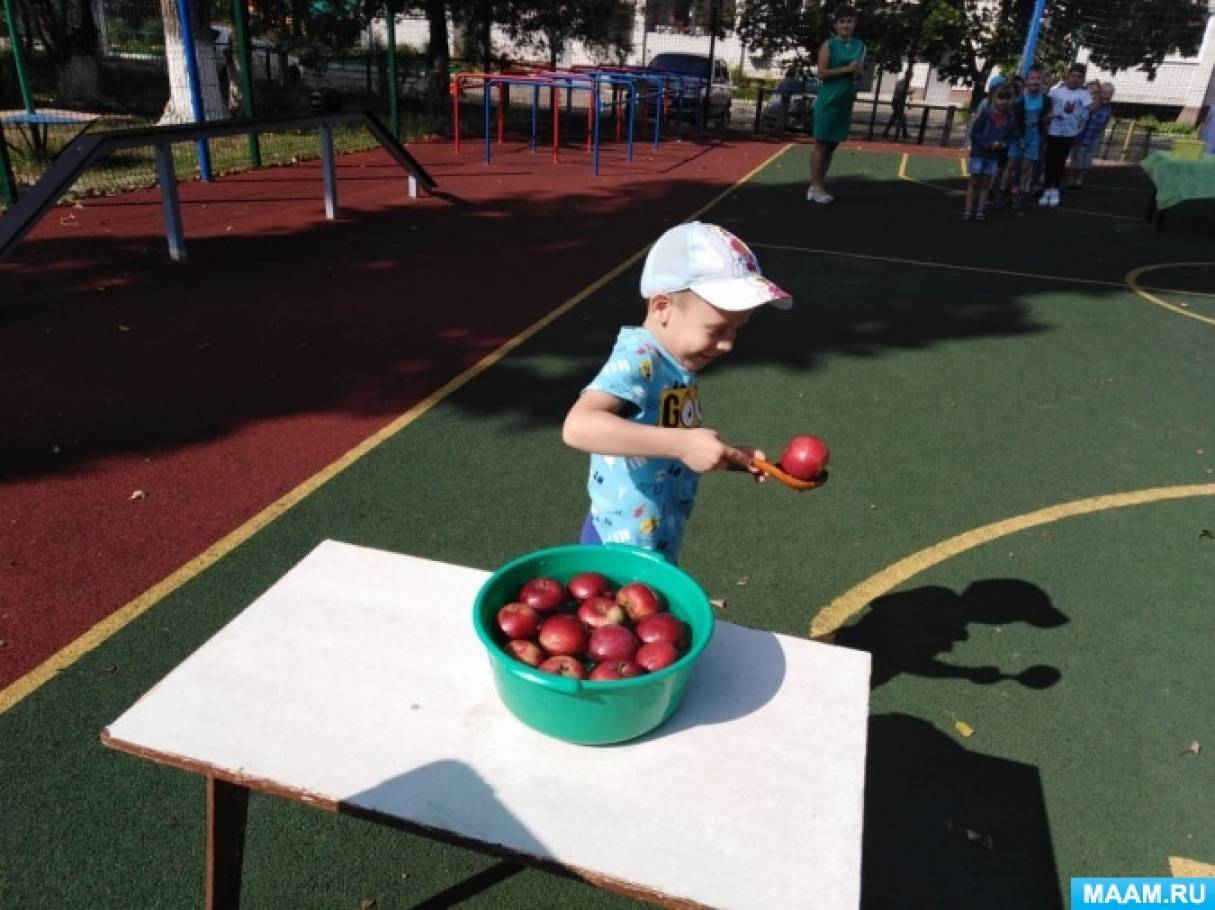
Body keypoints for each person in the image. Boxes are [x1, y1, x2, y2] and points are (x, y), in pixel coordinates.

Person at [562, 222, 793, 563]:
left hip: (654, 537)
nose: (728, 344)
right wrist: (684, 444)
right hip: (618, 546)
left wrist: (725, 456)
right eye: (717, 330)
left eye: (736, 331)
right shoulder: (640, 358)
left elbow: (663, 442)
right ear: (661, 307)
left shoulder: (675, 363)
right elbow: (578, 427)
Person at [808, 5, 866, 203]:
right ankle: (815, 186)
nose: (846, 25)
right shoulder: (829, 45)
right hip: (829, 97)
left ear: (855, 24)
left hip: (845, 99)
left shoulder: (860, 45)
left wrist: (858, 72)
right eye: (842, 21)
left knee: (832, 145)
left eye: (849, 21)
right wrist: (846, 69)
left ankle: (818, 183)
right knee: (821, 143)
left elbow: (859, 72)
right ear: (835, 24)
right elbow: (822, 73)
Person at [964, 85, 1019, 221]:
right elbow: (975, 133)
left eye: (1007, 98)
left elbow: (1013, 136)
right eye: (1000, 98)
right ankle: (969, 209)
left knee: (986, 184)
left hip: (993, 156)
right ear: (993, 98)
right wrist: (988, 144)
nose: (1004, 101)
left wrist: (1004, 144)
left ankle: (980, 210)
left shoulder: (1009, 118)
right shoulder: (986, 115)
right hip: (979, 153)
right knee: (974, 182)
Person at [1039, 64, 1091, 207]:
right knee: (1050, 161)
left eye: (1079, 77)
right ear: (1067, 76)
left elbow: (1087, 113)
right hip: (1054, 131)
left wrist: (1080, 128)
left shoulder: (1083, 94)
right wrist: (1048, 123)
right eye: (1073, 76)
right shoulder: (1056, 92)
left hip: (1069, 133)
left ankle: (1055, 189)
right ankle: (1046, 189)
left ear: (1082, 80)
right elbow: (1049, 109)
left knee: (1060, 161)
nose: (1075, 79)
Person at [1003, 67, 1052, 211]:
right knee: (1012, 165)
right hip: (1020, 136)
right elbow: (1016, 121)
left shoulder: (1046, 100)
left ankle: (1020, 194)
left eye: (1038, 78)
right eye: (1032, 78)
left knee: (1026, 167)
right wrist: (1020, 137)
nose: (1035, 81)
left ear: (1042, 80)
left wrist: (1047, 120)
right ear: (1026, 81)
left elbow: (1045, 119)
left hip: (1034, 137)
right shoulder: (1020, 100)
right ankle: (1004, 191)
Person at [1068, 82, 1115, 188]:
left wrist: (1100, 135)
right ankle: (1072, 179)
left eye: (1109, 94)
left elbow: (1105, 123)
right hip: (1082, 136)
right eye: (1104, 93)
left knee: (1087, 161)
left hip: (1093, 138)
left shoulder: (1108, 109)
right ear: (1099, 93)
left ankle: (1079, 180)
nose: (1106, 97)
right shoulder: (1091, 105)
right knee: (1077, 159)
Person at [883, 66, 913, 141]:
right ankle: (904, 134)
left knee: (894, 118)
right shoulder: (901, 82)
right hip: (896, 102)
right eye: (910, 75)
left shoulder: (906, 82)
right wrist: (909, 92)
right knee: (902, 117)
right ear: (907, 75)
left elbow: (906, 93)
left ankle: (885, 133)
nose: (911, 77)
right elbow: (901, 91)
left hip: (900, 102)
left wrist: (909, 99)